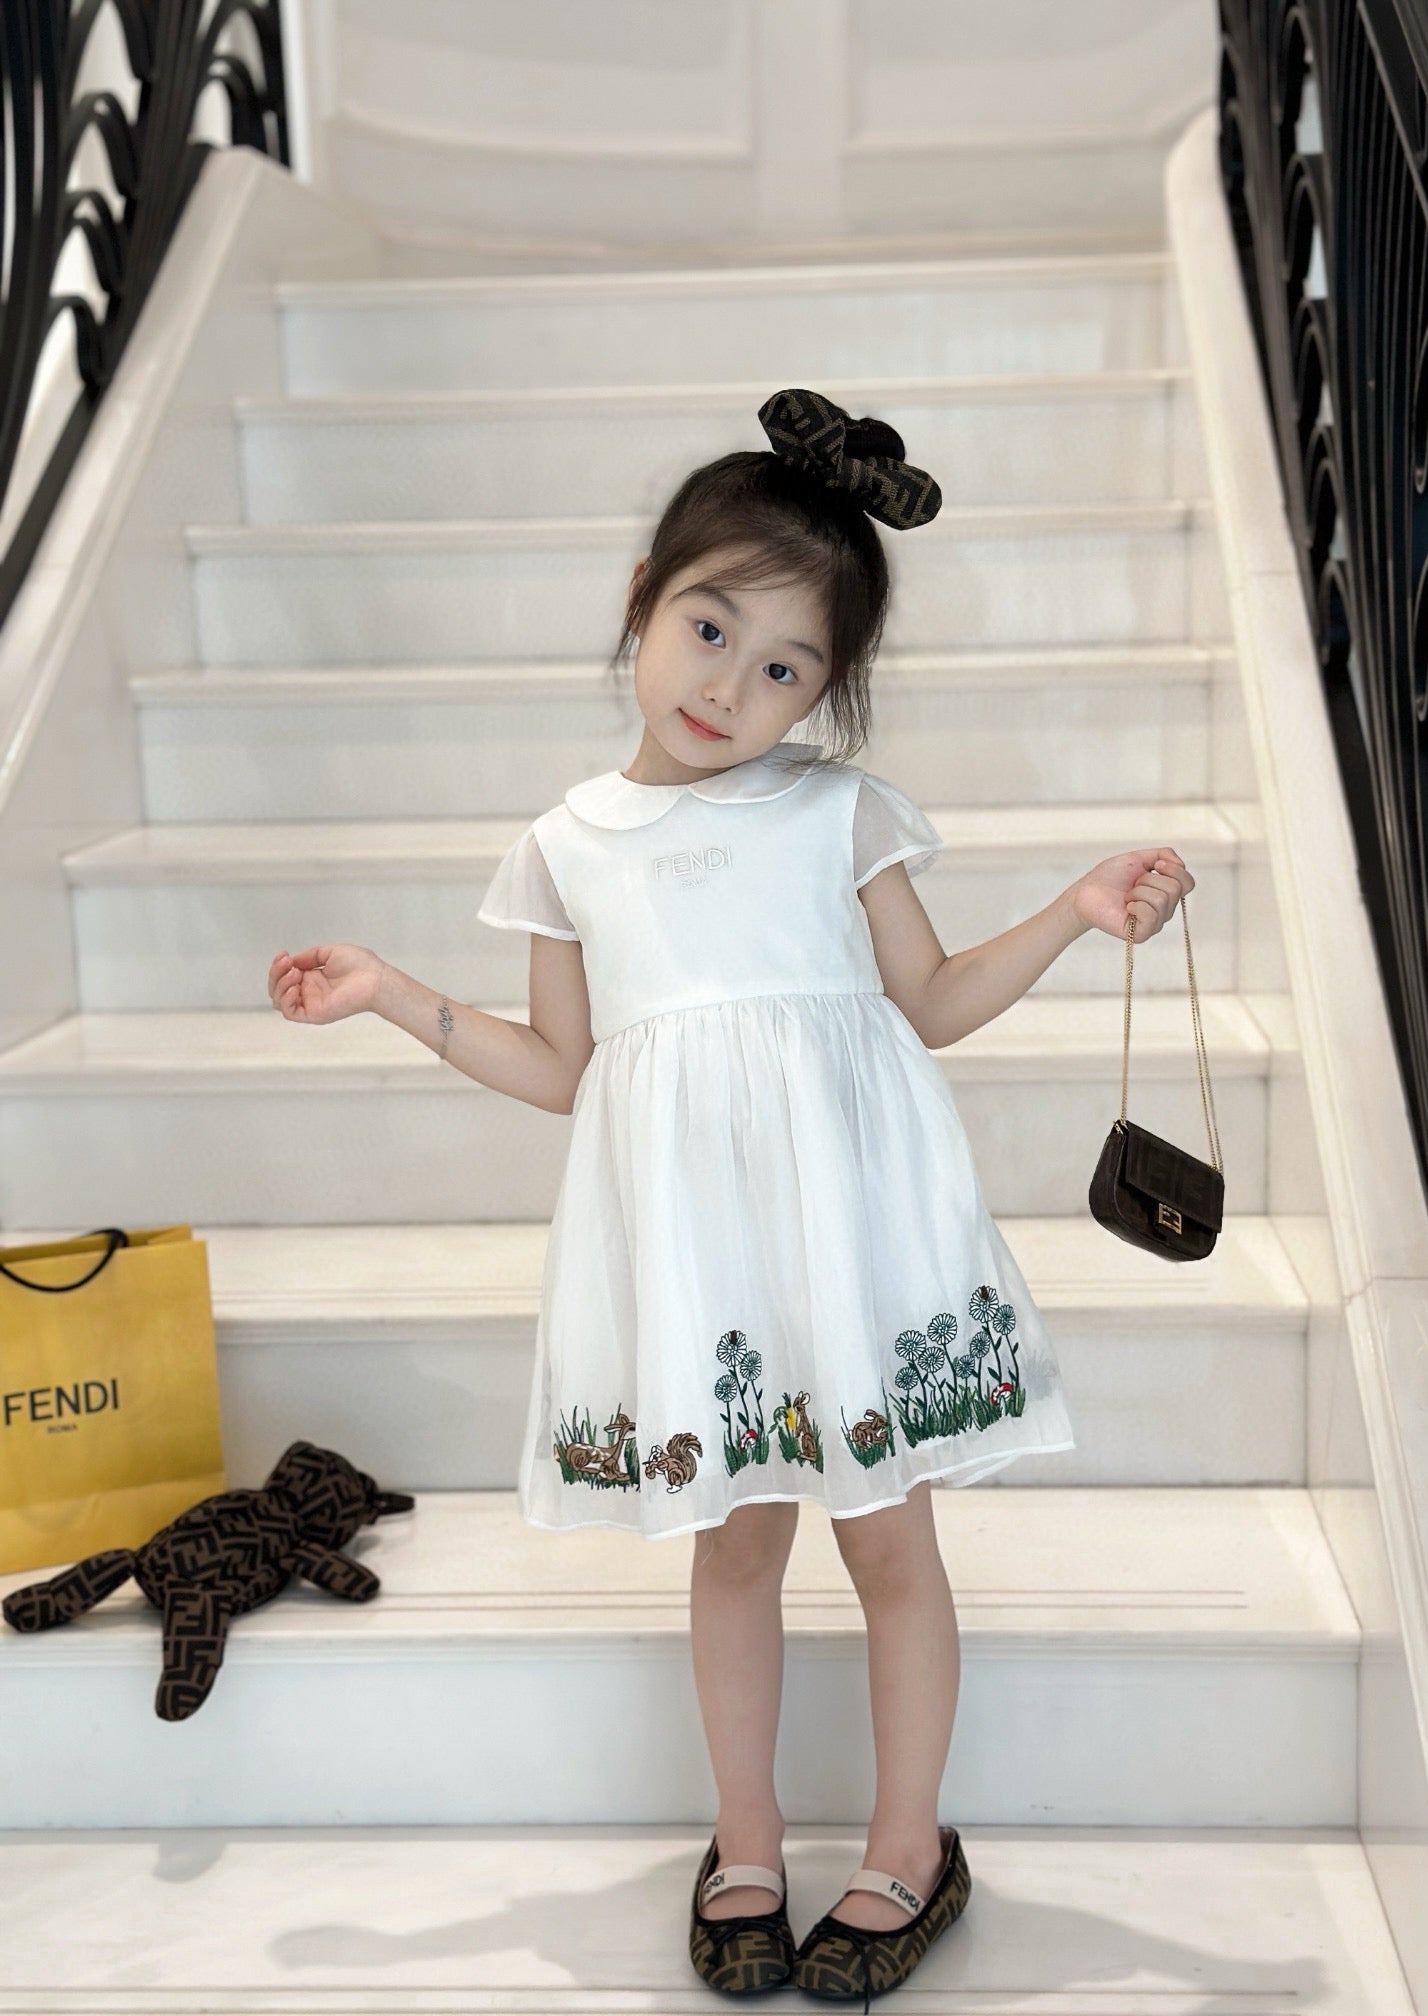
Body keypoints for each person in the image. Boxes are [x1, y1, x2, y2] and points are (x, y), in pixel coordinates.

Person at [266, 387, 1195, 2006]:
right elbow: (565, 1066)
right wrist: (392, 995)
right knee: (737, 1546)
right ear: (644, 600)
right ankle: (747, 1839)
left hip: (852, 1234)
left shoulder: (837, 813)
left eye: (785, 669)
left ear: (826, 694)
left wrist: (1074, 909)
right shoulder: (570, 847)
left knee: (890, 1543)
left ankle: (907, 1846)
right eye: (710, 630)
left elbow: (932, 1002)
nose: (731, 687)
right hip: (706, 1254)